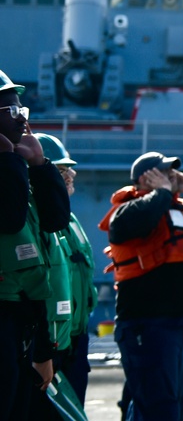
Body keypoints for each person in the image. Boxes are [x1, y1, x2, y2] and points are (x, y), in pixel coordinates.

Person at [98, 151, 183, 421]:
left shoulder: (180, 208)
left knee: (172, 402)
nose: (171, 176)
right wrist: (162, 192)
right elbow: (130, 224)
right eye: (164, 171)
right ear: (145, 178)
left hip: (180, 322)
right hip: (147, 324)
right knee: (157, 405)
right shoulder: (127, 210)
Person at [0, 69, 71, 421]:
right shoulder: (8, 169)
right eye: (12, 112)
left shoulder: (15, 169)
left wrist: (40, 166)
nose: (21, 120)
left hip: (21, 318)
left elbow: (55, 221)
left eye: (22, 112)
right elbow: (9, 218)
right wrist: (10, 160)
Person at [34, 133, 99, 410]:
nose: (71, 174)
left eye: (69, 168)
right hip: (50, 346)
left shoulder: (70, 220)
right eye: (61, 170)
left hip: (75, 340)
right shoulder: (35, 219)